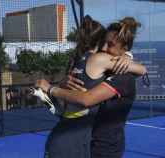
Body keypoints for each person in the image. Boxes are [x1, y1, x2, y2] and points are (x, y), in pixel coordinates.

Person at [36, 16, 145, 158]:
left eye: (110, 44)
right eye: (104, 43)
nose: (105, 48)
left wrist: (49, 89)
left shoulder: (86, 62)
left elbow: (71, 105)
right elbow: (142, 69)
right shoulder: (98, 62)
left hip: (87, 144)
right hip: (82, 144)